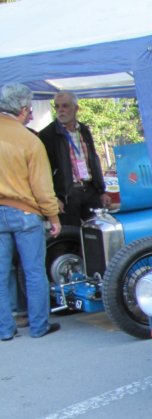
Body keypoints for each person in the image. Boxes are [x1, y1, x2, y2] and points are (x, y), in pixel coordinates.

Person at [0, 83, 62, 340]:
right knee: (34, 271)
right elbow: (42, 186)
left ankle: (5, 330)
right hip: (25, 213)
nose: (33, 116)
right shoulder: (29, 141)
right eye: (30, 110)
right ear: (23, 109)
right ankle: (39, 327)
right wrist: (53, 216)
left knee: (1, 276)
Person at [38, 91, 111, 227]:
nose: (60, 110)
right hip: (66, 194)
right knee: (70, 236)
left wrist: (101, 191)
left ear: (76, 108)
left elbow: (93, 160)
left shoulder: (83, 130)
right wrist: (54, 198)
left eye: (65, 106)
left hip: (89, 189)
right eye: (57, 106)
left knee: (99, 230)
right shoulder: (47, 135)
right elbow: (43, 171)